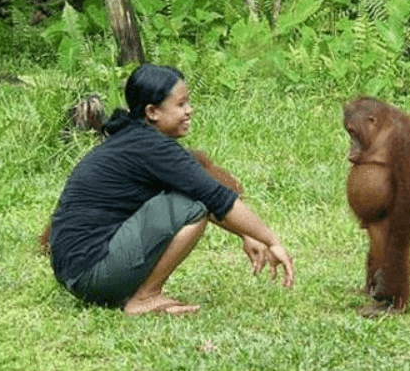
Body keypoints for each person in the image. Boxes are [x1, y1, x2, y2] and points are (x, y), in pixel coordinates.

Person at [49, 64, 294, 315]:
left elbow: (208, 195)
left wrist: (246, 234)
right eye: (181, 104)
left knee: (194, 199)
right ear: (152, 112)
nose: (190, 111)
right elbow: (214, 197)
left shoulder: (134, 138)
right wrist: (271, 240)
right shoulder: (152, 147)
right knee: (193, 205)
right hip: (92, 272)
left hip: (77, 272)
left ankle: (138, 292)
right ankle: (145, 297)